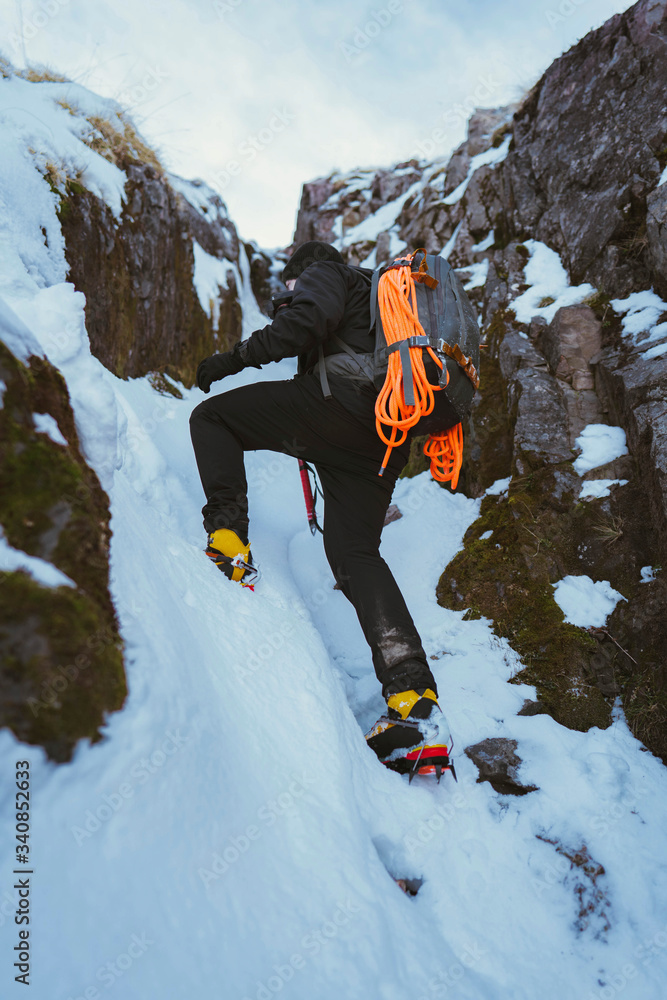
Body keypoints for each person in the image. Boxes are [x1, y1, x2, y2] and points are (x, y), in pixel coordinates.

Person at [190, 240, 453, 776]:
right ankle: (416, 706)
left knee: (213, 418)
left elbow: (303, 324)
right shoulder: (377, 308)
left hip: (341, 409)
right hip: (385, 439)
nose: (286, 296)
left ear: (298, 273)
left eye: (287, 287)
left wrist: (230, 360)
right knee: (356, 554)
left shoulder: (326, 272)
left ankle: (228, 540)